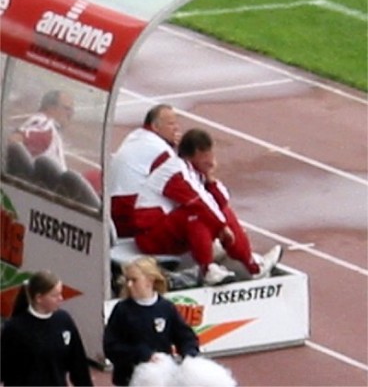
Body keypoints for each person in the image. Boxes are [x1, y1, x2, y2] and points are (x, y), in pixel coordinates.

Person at [133, 128, 283, 286]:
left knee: (219, 212)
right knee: (197, 215)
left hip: (169, 233)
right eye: (209, 153)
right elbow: (200, 203)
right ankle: (209, 270)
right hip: (150, 235)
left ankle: (251, 265)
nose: (212, 158)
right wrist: (222, 227)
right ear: (198, 152)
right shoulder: (176, 172)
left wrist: (210, 177)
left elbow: (222, 202)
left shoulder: (194, 172)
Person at [103, 256, 200, 386]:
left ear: (150, 280)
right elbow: (110, 346)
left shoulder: (166, 308)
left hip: (162, 379)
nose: (129, 285)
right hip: (128, 380)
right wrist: (142, 355)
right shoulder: (122, 310)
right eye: (127, 280)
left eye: (134, 280)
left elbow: (185, 337)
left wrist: (189, 354)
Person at [0, 270, 93, 386]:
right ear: (39, 298)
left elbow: (78, 365)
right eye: (55, 295)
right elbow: (4, 368)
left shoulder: (64, 321)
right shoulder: (14, 329)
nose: (61, 298)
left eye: (61, 293)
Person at [109, 104, 181, 237]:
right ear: (155, 126)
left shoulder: (135, 136)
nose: (176, 128)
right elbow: (180, 185)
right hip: (131, 215)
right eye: (171, 124)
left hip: (111, 208)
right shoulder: (161, 150)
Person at [10, 89, 74, 171]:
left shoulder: (48, 127)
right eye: (67, 109)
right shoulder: (46, 127)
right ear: (51, 108)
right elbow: (13, 141)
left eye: (72, 110)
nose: (71, 114)